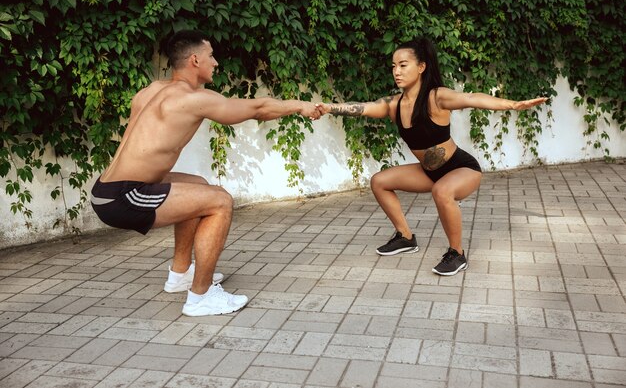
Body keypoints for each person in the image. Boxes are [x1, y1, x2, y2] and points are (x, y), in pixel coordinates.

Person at [90, 30, 320, 316]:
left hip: (108, 188)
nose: (216, 63)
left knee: (199, 187)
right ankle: (201, 297)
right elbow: (258, 108)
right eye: (211, 56)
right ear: (195, 60)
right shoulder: (190, 98)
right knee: (219, 201)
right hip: (123, 197)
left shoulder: (151, 90)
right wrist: (299, 106)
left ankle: (181, 274)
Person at [316, 38, 546, 276]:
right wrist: (329, 108)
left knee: (442, 191)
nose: (397, 71)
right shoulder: (394, 104)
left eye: (403, 65)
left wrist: (513, 104)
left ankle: (457, 253)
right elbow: (362, 107)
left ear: (421, 67)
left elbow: (471, 98)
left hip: (462, 168)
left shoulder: (436, 97)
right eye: (394, 66)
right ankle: (405, 237)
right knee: (379, 181)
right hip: (429, 172)